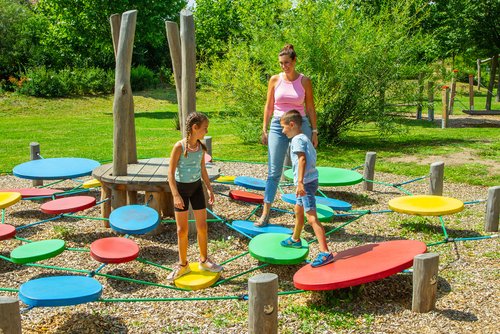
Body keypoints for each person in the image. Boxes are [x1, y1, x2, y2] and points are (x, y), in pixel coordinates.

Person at [256, 43, 318, 227]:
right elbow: (268, 105)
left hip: (299, 125)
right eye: (281, 63)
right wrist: (264, 128)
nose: (284, 66)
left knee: (303, 169)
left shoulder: (304, 81)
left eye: (287, 62)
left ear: (294, 61)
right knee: (274, 171)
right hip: (278, 125)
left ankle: (301, 212)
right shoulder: (275, 80)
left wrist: (314, 131)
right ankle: (266, 213)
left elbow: (310, 107)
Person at [167, 112, 223, 281]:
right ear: (194, 127)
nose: (206, 131)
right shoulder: (179, 147)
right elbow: (169, 174)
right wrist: (176, 195)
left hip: (197, 188)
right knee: (181, 230)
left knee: (202, 227)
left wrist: (209, 188)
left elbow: (203, 170)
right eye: (204, 128)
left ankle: (204, 260)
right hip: (181, 191)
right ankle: (183, 265)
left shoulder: (201, 147)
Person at [278, 110, 333, 267]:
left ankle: (325, 252)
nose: (282, 131)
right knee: (298, 210)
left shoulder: (297, 140)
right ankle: (295, 239)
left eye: (284, 127)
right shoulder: (304, 138)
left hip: (306, 183)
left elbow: (302, 160)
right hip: (308, 180)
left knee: (312, 218)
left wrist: (300, 183)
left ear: (292, 125)